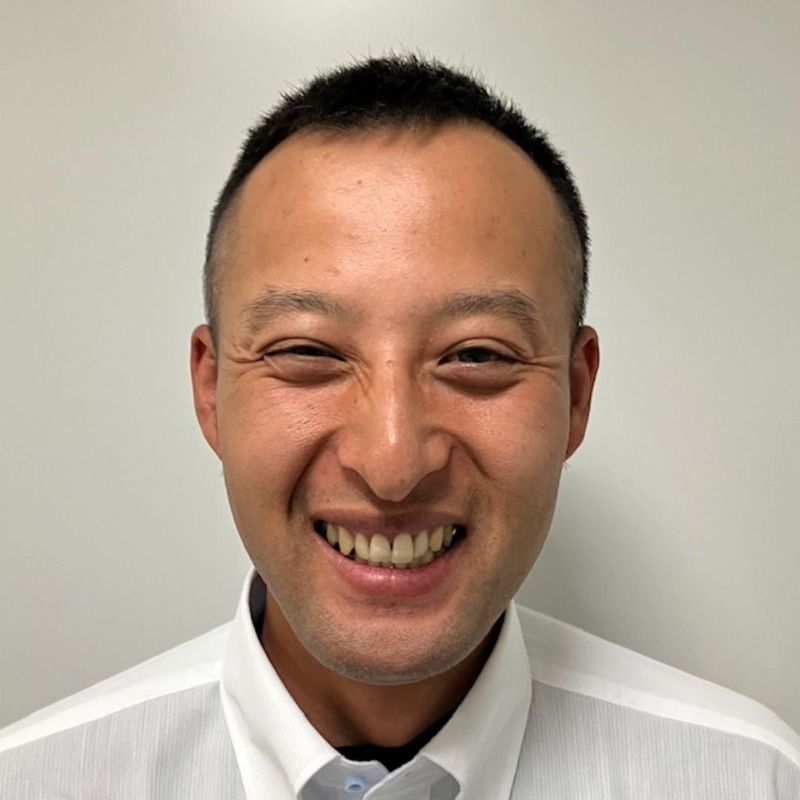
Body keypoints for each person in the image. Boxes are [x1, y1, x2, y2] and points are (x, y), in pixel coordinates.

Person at [1, 54, 798, 799]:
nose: (392, 464)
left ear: (576, 396)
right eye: (308, 352)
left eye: (477, 355)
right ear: (211, 391)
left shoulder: (748, 779)